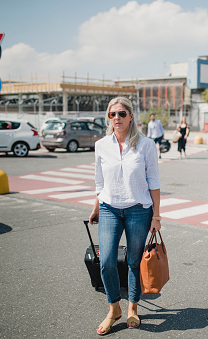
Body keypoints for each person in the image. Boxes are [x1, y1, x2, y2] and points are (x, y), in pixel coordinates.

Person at [89, 97, 161, 335]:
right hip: (109, 208)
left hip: (139, 210)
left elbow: (154, 182)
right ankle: (114, 309)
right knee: (107, 261)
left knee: (133, 261)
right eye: (112, 115)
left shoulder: (146, 145)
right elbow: (100, 181)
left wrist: (156, 216)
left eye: (121, 114)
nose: (116, 118)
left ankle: (132, 307)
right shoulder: (101, 145)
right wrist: (96, 206)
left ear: (131, 116)